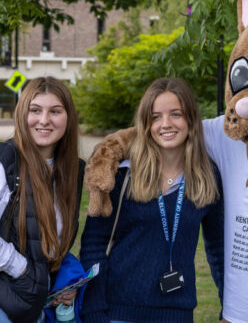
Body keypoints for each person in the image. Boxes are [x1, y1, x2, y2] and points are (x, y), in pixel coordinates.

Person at [79, 77, 224, 323]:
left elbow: (218, 250)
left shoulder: (207, 176)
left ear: (190, 119)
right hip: (117, 312)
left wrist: (228, 308)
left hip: (177, 314)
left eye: (175, 114)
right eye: (156, 117)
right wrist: (94, 312)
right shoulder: (122, 173)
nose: (165, 124)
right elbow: (93, 244)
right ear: (146, 124)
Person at [0, 77, 84, 323]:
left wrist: (59, 282)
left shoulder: (73, 171)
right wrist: (21, 269)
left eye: (55, 111)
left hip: (34, 307)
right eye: (35, 110)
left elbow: (50, 245)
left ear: (68, 118)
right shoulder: (6, 161)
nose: (44, 120)